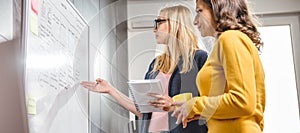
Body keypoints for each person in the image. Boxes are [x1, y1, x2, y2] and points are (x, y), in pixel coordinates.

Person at [81, 5, 208, 133]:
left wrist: (173, 105)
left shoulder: (199, 59)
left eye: (159, 22)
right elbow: (143, 112)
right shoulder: (157, 64)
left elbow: (209, 107)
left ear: (176, 24)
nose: (154, 29)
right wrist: (111, 90)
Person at [172, 0, 266, 133]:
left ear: (218, 9)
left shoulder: (230, 38)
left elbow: (242, 102)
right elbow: (233, 106)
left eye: (199, 11)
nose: (195, 21)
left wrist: (195, 105)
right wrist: (201, 112)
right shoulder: (226, 42)